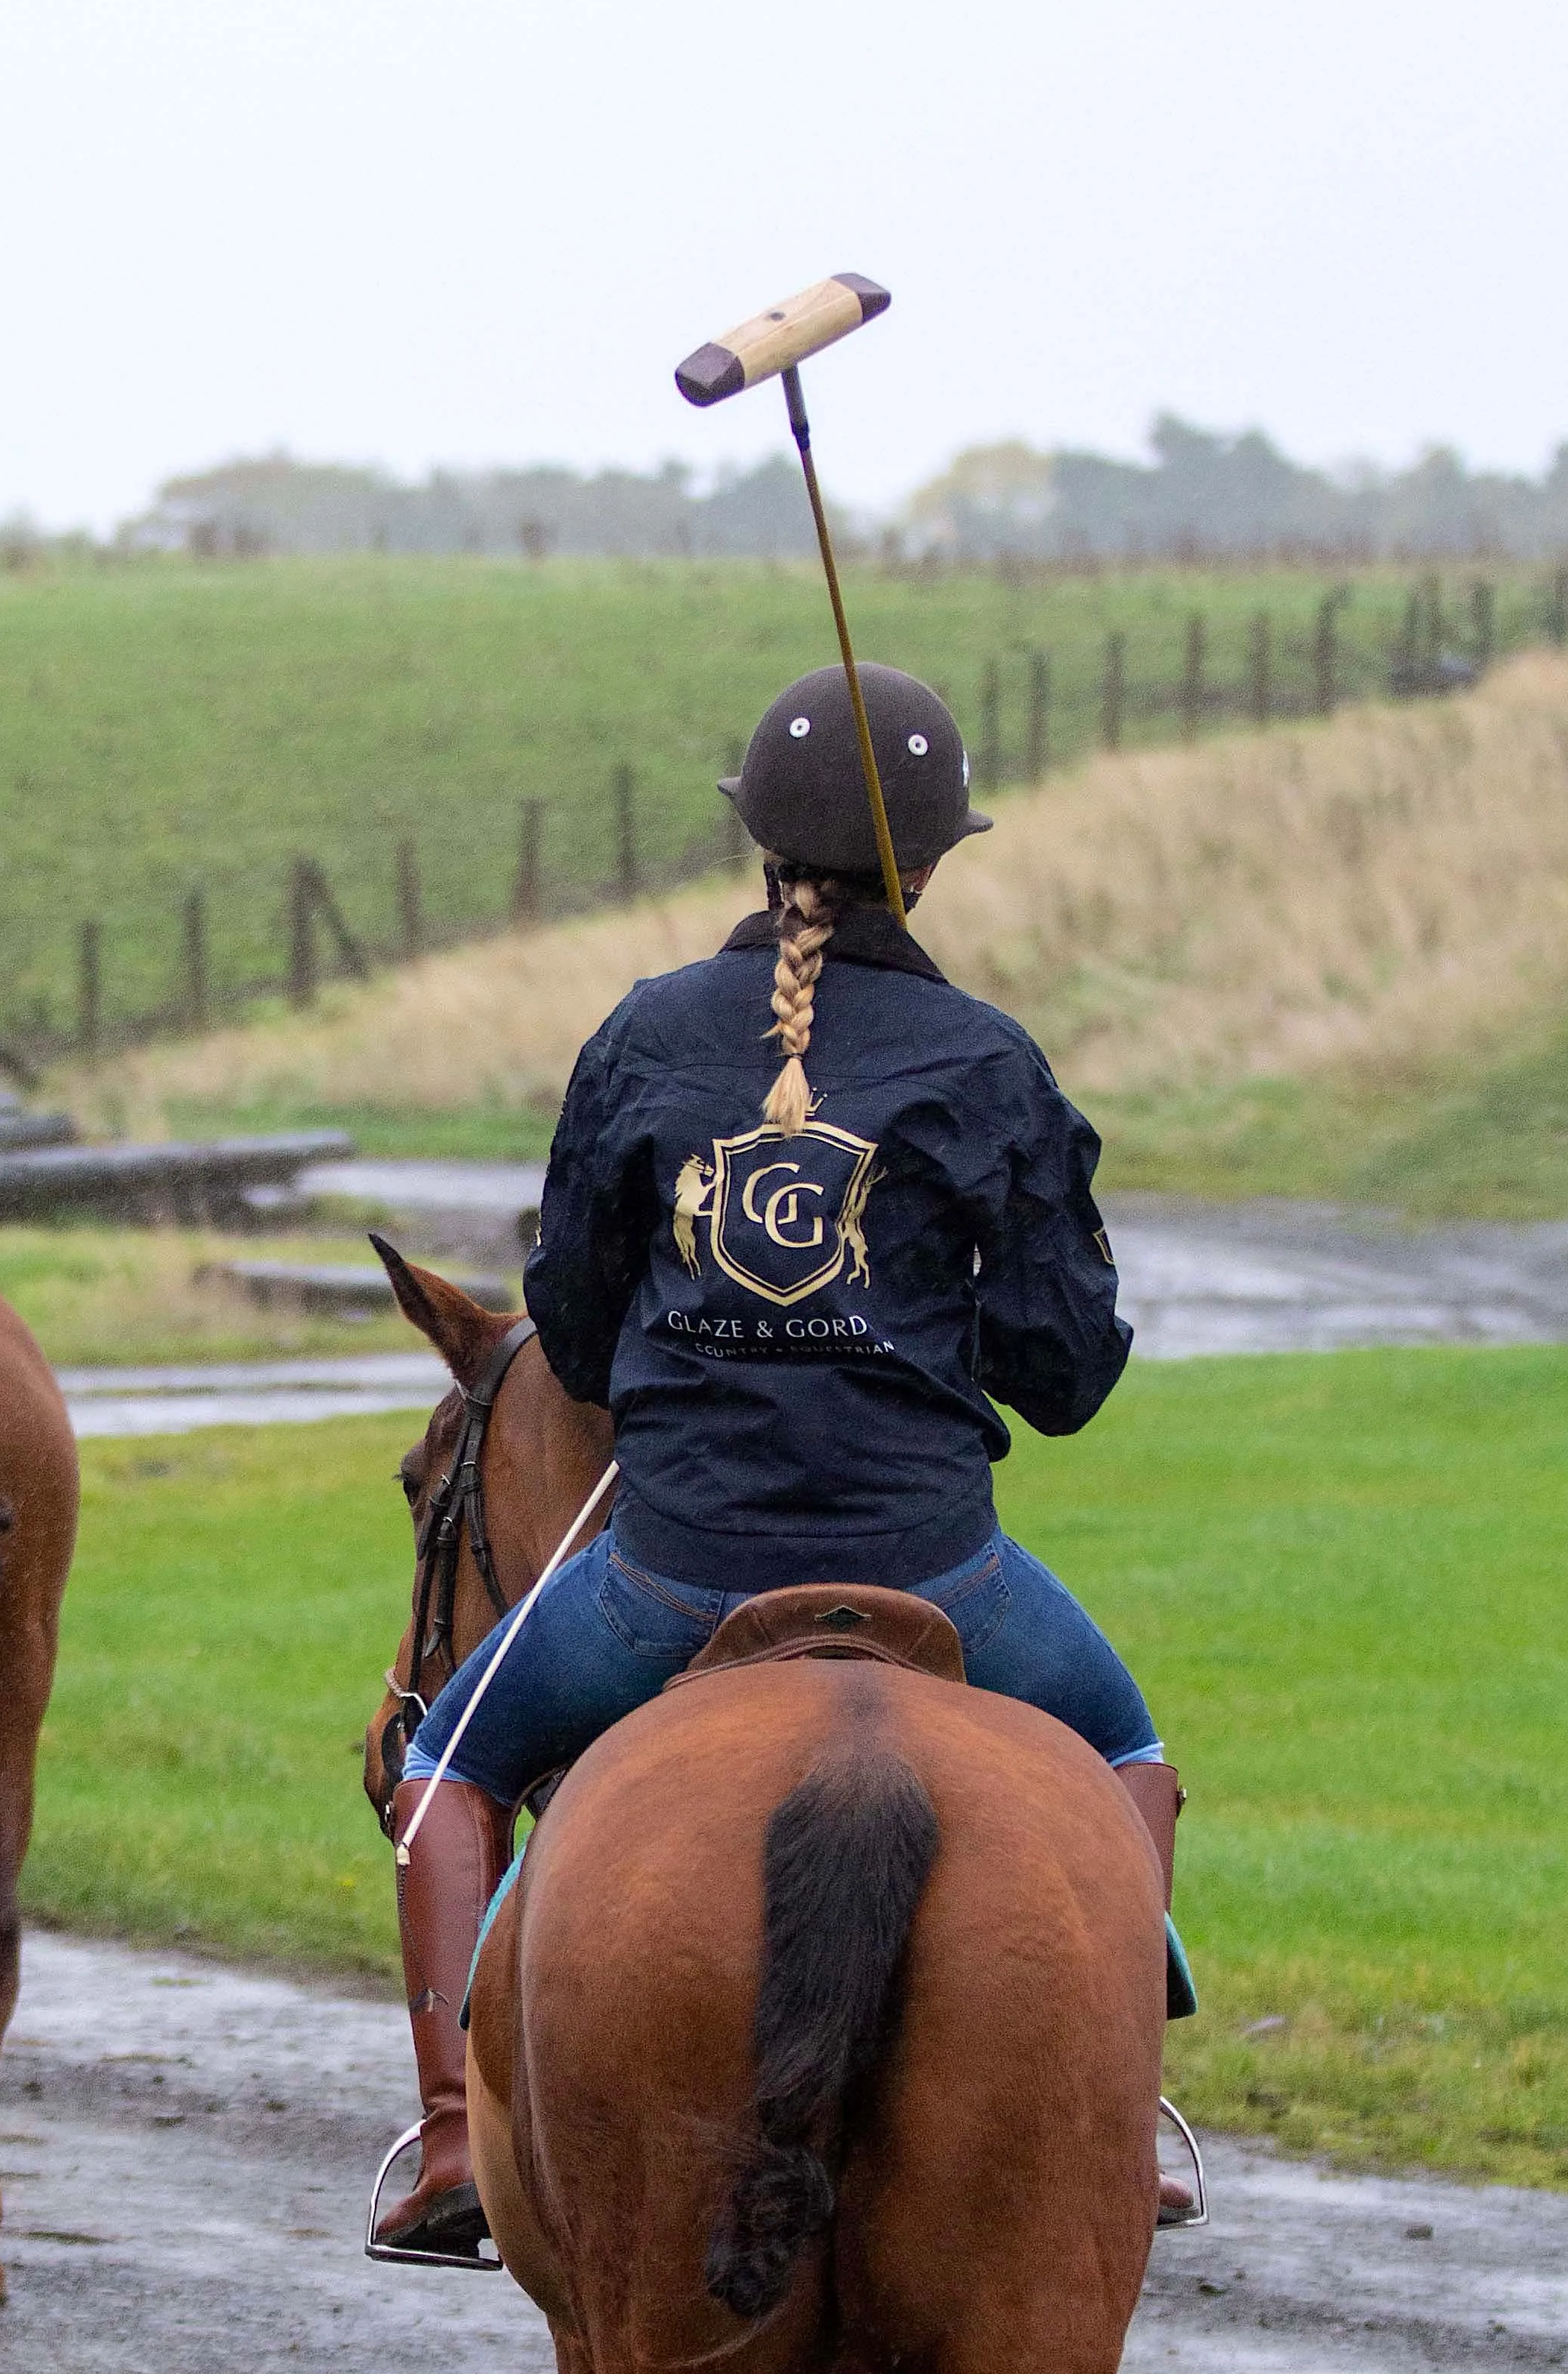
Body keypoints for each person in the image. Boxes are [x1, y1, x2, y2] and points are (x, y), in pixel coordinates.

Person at [377, 658, 1194, 2262]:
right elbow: (1070, 1374)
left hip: (667, 1579)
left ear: (757, 843)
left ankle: (454, 2143)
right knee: (1124, 1754)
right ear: (937, 861)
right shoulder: (987, 1061)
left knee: (442, 1774)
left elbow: (576, 1322)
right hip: (940, 1570)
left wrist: (714, 1357)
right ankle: (1129, 2119)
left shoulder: (641, 1036)